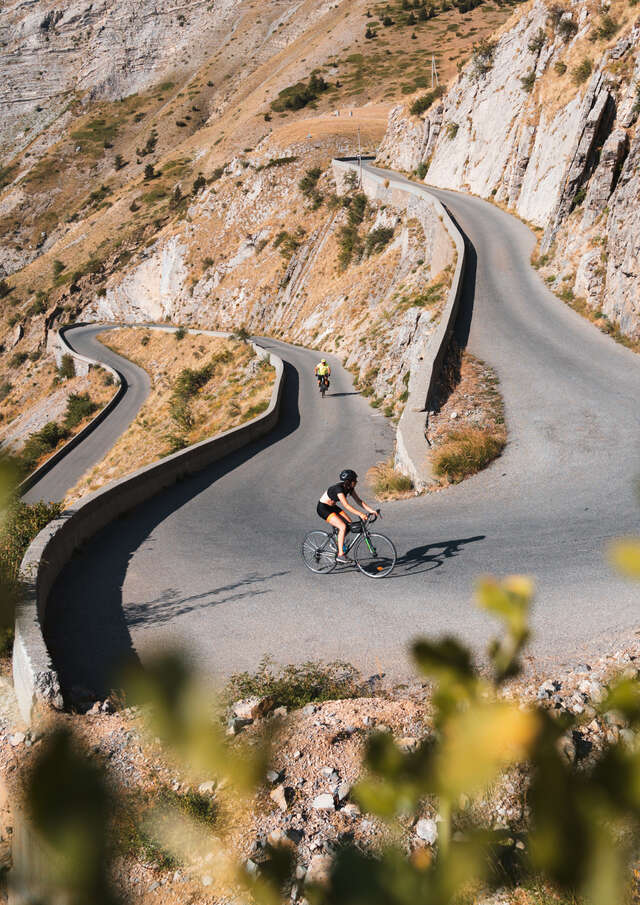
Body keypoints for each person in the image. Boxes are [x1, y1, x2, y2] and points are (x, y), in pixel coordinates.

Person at [317, 469, 380, 563]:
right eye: (355, 480)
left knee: (349, 524)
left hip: (332, 507)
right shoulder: (339, 489)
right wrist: (360, 514)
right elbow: (346, 505)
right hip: (323, 508)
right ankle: (340, 555)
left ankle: (338, 543)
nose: (357, 482)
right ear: (350, 481)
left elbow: (359, 501)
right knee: (342, 526)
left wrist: (372, 511)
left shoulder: (350, 488)